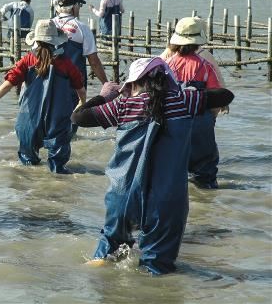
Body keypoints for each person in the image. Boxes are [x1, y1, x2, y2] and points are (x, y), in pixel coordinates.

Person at [72, 57, 234, 274]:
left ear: (132, 83)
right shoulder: (184, 101)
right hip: (166, 200)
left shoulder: (123, 105)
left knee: (109, 252)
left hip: (123, 196)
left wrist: (103, 96)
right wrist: (192, 91)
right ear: (167, 80)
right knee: (157, 269)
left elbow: (78, 117)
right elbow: (226, 95)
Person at [0, 19, 86, 174]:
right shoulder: (66, 63)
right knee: (58, 165)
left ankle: (32, 189)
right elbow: (80, 88)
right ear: (56, 41)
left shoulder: (28, 59)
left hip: (30, 117)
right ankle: (57, 190)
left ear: (36, 40)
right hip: (58, 119)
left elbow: (8, 84)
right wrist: (81, 104)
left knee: (28, 162)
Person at [160, 17, 225, 189]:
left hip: (172, 124)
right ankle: (207, 208)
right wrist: (209, 119)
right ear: (198, 43)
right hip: (200, 124)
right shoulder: (205, 66)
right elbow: (216, 101)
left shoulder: (165, 65)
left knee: (173, 174)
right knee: (205, 175)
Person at [52, 0, 108, 87]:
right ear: (75, 7)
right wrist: (106, 83)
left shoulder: (48, 24)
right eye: (79, 5)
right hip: (75, 85)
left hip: (50, 83)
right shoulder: (82, 28)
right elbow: (94, 62)